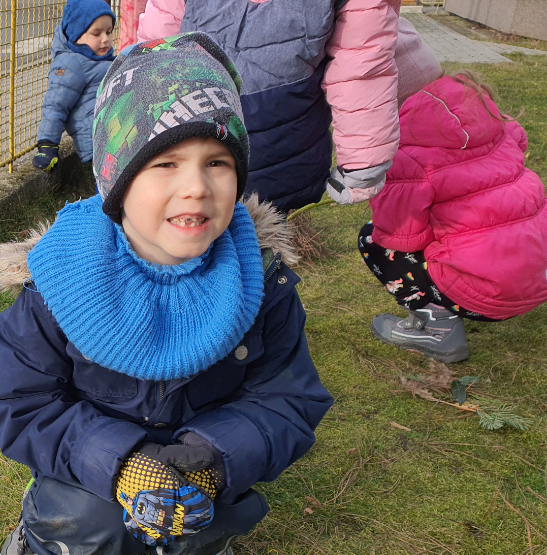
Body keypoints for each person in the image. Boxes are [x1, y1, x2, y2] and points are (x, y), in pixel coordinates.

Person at [0, 34, 333, 555]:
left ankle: (198, 533)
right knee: (84, 521)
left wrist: (217, 456)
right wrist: (119, 461)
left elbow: (289, 398)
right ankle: (44, 525)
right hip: (94, 468)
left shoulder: (260, 281)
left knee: (204, 514)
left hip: (202, 463)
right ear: (116, 183)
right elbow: (19, 402)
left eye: (217, 162)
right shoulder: (58, 282)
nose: (195, 187)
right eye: (165, 163)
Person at [360, 21, 547, 363]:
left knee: (373, 241)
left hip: (489, 294)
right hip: (538, 277)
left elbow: (400, 236)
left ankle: (438, 327)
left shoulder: (407, 153)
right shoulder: (485, 112)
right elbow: (518, 144)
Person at [136, 0, 401, 212]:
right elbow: (158, 47)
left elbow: (361, 62)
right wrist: (137, 128)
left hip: (283, 152)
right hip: (197, 142)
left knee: (260, 259)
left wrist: (362, 160)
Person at [32, 0, 115, 171]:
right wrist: (47, 146)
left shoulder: (102, 60)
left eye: (109, 31)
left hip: (114, 136)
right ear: (76, 35)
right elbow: (55, 106)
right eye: (96, 33)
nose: (105, 39)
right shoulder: (71, 64)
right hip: (98, 143)